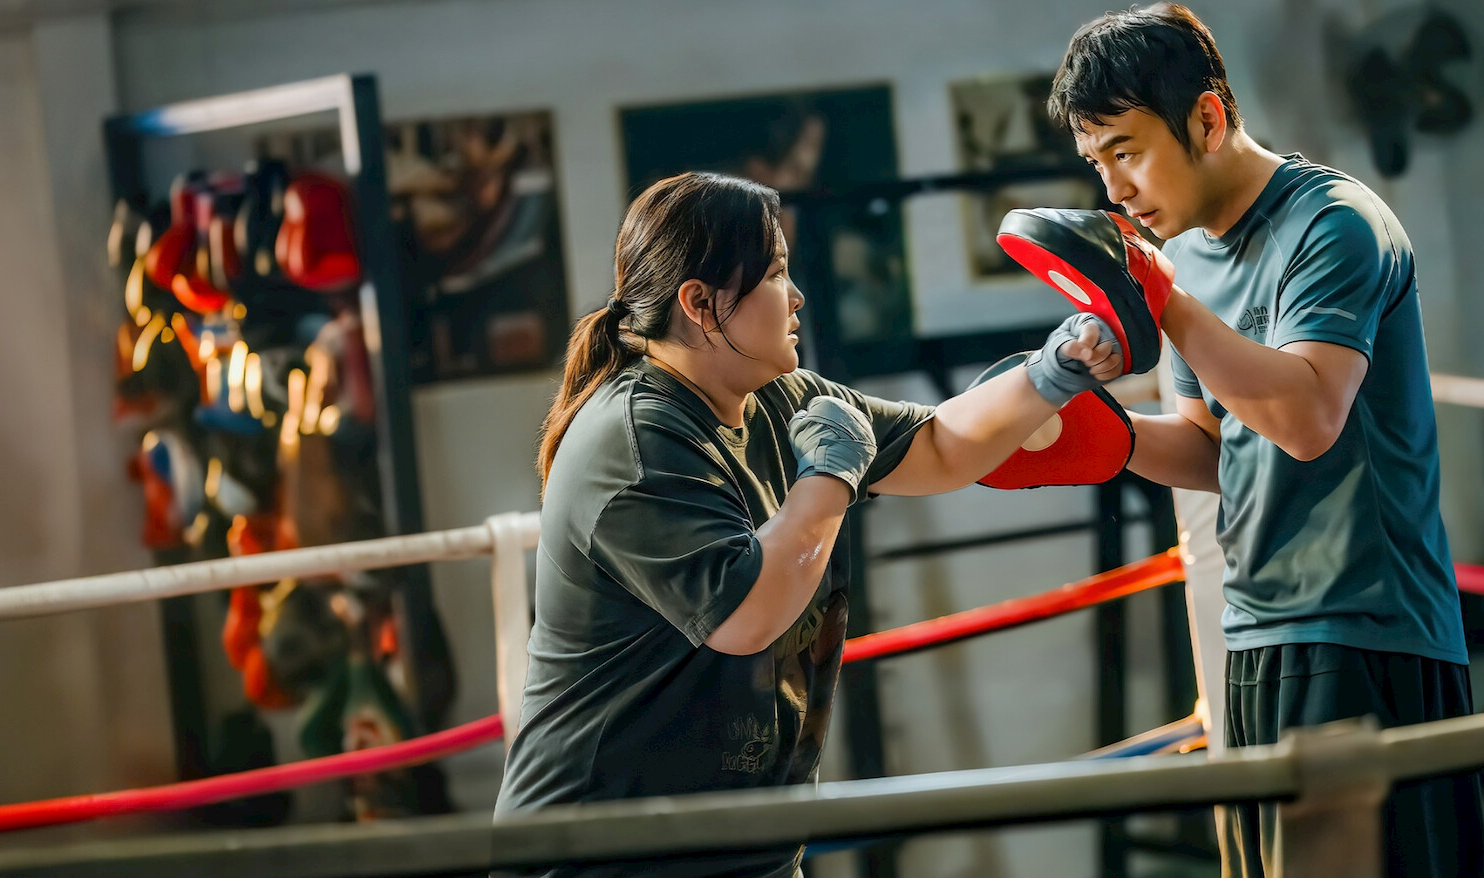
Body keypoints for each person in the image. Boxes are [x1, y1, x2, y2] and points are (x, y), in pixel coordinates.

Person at [492, 171, 1123, 878]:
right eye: (776, 275)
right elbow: (747, 615)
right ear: (700, 304)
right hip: (601, 861)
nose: (797, 297)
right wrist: (828, 481)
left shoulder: (772, 395)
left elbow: (941, 445)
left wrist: (1053, 369)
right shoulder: (638, 441)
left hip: (742, 853)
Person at [1047, 5, 1483, 876]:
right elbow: (1214, 449)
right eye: (1098, 163)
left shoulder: (1334, 224)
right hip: (1255, 637)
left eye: (1127, 152)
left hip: (1368, 632)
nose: (1115, 190)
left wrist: (1162, 301)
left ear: (1208, 119)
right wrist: (1101, 438)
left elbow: (1308, 422)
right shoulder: (1185, 258)